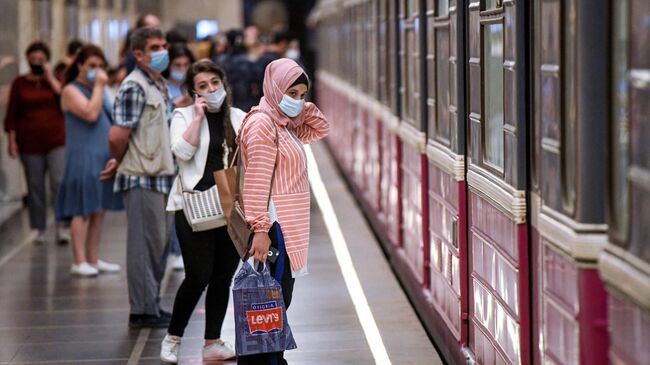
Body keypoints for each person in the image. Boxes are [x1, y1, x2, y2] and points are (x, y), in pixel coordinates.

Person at [237, 58, 329, 365]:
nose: (298, 101)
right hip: (274, 228)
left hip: (284, 228)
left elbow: (320, 128)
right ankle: (268, 361)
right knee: (270, 303)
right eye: (292, 93)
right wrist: (260, 229)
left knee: (275, 302)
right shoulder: (264, 125)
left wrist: (298, 107)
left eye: (302, 94)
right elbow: (256, 181)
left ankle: (269, 359)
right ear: (275, 88)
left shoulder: (282, 123)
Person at [159, 59, 245, 364]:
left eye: (215, 84)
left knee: (223, 277)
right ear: (194, 92)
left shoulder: (238, 117)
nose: (211, 91)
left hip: (230, 207)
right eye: (203, 87)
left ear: (224, 84)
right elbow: (181, 153)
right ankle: (173, 337)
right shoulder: (181, 116)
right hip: (193, 207)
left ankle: (212, 343)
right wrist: (197, 117)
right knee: (198, 276)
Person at [109, 27, 174, 329]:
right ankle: (142, 309)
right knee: (142, 246)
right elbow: (118, 134)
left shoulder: (157, 84)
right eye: (155, 47)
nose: (163, 51)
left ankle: (152, 303)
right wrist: (121, 160)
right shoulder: (135, 86)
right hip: (140, 177)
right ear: (138, 54)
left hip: (160, 176)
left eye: (164, 45)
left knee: (158, 246)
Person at [56, 44, 123, 277]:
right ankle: (78, 259)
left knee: (98, 209)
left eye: (100, 66)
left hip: (101, 154)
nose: (97, 70)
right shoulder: (70, 90)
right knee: (82, 209)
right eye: (92, 65)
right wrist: (98, 86)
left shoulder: (98, 90)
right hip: (82, 155)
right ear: (80, 65)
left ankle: (93, 258)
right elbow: (89, 113)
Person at [3, 41, 70, 244]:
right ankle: (39, 228)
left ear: (47, 61)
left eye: (41, 60)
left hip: (56, 140)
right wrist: (12, 141)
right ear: (27, 60)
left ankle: (61, 225)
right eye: (33, 60)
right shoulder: (20, 83)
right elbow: (11, 115)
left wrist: (50, 77)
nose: (37, 63)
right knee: (35, 187)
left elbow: (65, 100)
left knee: (58, 182)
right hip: (29, 142)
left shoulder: (55, 81)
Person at [162, 43, 195, 108]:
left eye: (186, 64)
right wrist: (174, 106)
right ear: (168, 65)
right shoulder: (162, 87)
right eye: (177, 65)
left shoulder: (194, 85)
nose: (183, 69)